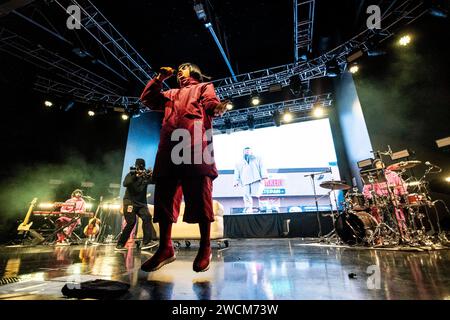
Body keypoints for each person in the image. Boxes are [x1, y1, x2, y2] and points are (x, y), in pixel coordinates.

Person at [139, 63, 228, 272]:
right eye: (178, 69)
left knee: (200, 195)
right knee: (164, 197)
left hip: (196, 141)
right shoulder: (170, 93)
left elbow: (210, 103)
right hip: (170, 144)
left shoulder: (203, 87)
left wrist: (216, 107)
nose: (180, 70)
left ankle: (205, 247)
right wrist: (159, 78)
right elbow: (148, 99)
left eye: (185, 67)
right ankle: (165, 248)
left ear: (195, 71)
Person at [115, 158, 158, 251]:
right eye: (139, 168)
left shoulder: (145, 177)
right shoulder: (130, 175)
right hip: (129, 202)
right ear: (136, 167)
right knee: (131, 222)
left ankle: (146, 242)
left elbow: (156, 181)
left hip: (141, 204)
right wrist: (136, 175)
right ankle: (120, 244)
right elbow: (125, 183)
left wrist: (152, 174)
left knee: (147, 217)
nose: (141, 170)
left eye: (142, 168)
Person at [362, 159, 408, 235]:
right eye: (378, 164)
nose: (380, 164)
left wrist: (403, 194)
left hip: (394, 198)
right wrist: (373, 198)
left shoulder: (393, 174)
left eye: (381, 163)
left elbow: (402, 184)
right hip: (381, 200)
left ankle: (403, 233)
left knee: (399, 217)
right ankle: (388, 234)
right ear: (375, 167)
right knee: (381, 217)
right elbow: (365, 191)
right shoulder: (373, 177)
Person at [233, 147, 268, 213]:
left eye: (248, 151)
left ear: (251, 152)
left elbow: (262, 166)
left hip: (256, 178)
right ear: (243, 152)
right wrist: (236, 181)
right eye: (246, 151)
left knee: (257, 194)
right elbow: (236, 172)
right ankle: (248, 208)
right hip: (245, 180)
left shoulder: (258, 158)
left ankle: (261, 208)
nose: (247, 152)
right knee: (246, 194)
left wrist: (264, 176)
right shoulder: (239, 162)